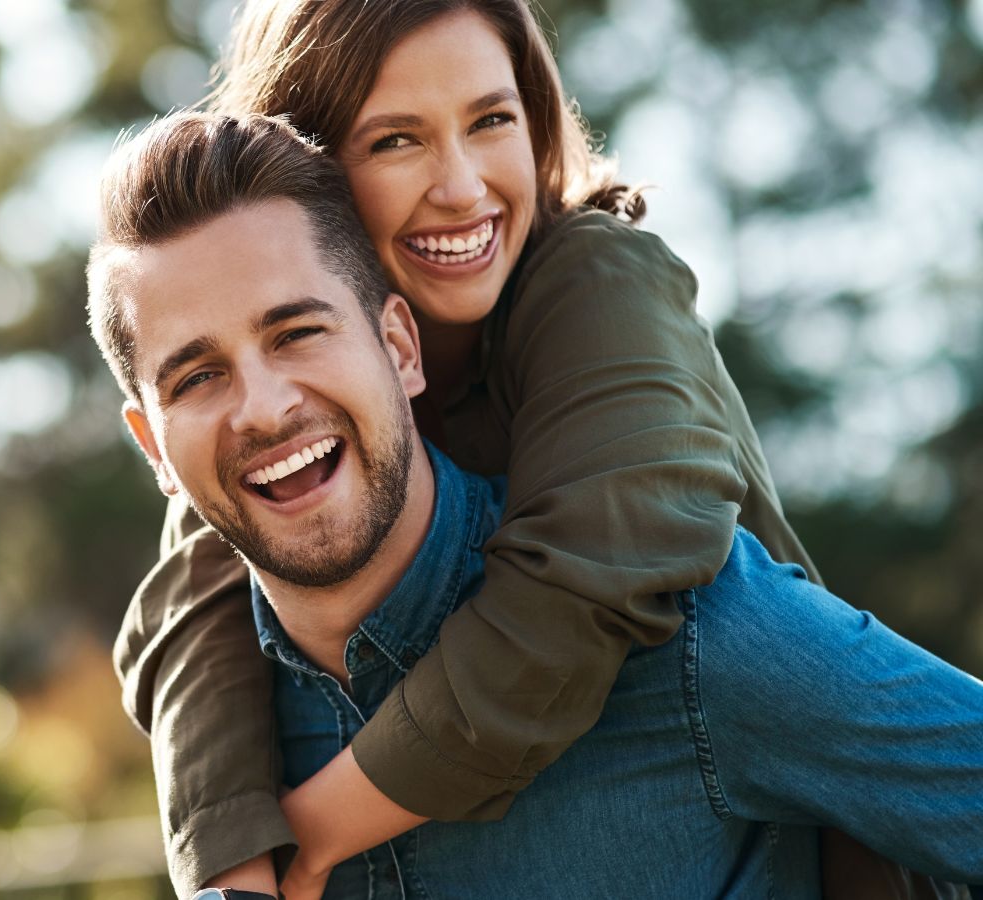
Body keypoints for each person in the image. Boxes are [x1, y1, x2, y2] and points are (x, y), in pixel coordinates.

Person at [109, 1, 969, 897]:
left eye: (491, 121)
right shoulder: (268, 411)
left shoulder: (597, 285)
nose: (462, 187)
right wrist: (235, 864)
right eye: (396, 141)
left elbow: (582, 595)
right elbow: (198, 605)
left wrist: (317, 829)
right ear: (310, 174)